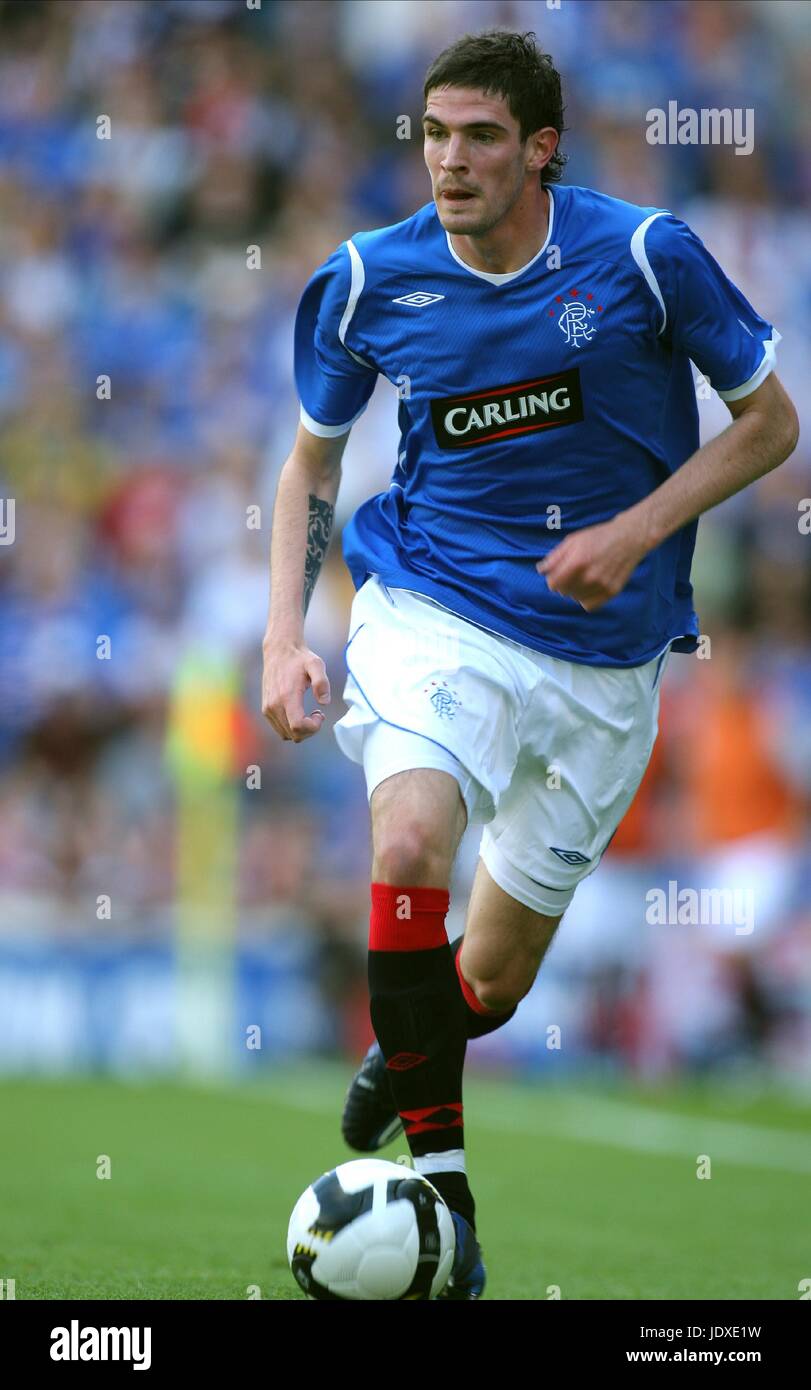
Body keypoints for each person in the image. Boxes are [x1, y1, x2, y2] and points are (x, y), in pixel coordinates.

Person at [261, 29, 799, 1299]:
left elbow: (772, 424)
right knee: (405, 850)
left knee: (490, 981)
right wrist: (285, 641)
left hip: (607, 660)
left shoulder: (645, 257)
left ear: (540, 147)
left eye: (481, 137)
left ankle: (412, 1050)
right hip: (432, 606)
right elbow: (313, 467)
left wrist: (634, 531)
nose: (450, 161)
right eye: (435, 135)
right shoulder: (362, 283)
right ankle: (446, 1207)